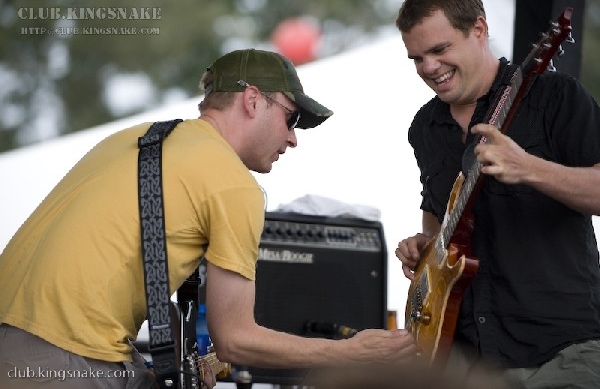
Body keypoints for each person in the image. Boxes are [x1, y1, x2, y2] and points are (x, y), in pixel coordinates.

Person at [0, 48, 416, 389]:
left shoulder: (136, 138)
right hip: (67, 355)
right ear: (252, 100)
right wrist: (349, 353)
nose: (292, 138)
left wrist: (174, 363)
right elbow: (235, 341)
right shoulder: (232, 184)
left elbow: (119, 267)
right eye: (291, 119)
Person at [394, 0, 600, 388]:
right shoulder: (424, 127)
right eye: (417, 58)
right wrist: (426, 251)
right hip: (465, 358)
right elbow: (440, 217)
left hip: (561, 350)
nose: (429, 67)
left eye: (439, 50)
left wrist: (528, 168)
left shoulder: (556, 98)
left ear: (479, 29)